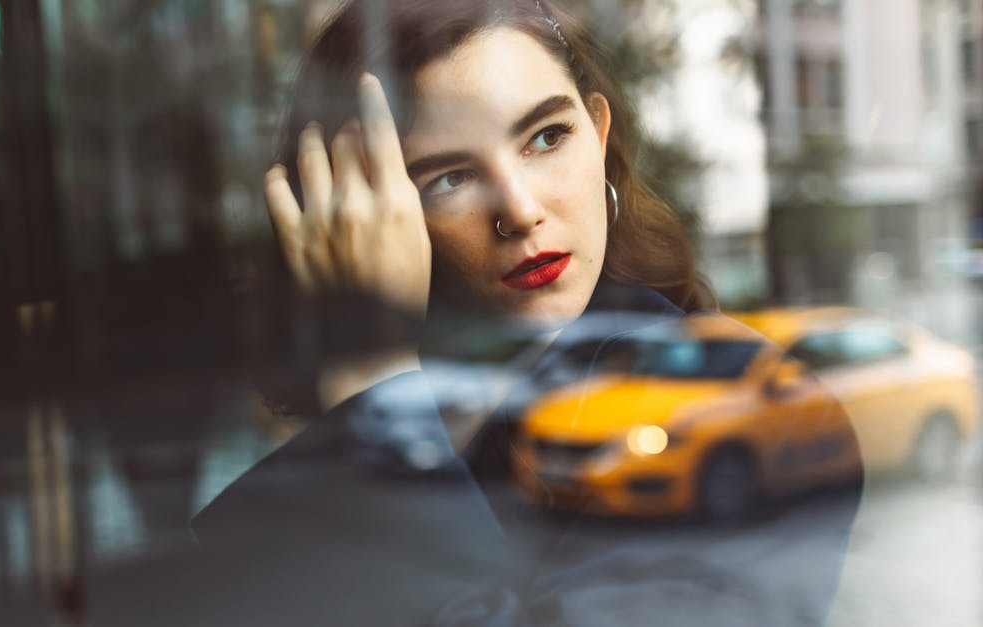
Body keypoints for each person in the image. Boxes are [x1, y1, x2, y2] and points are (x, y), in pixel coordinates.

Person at [164, 1, 861, 625]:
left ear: (598, 133)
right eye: (449, 177)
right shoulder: (306, 488)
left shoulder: (746, 411)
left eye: (547, 137)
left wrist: (376, 381)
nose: (521, 209)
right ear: (358, 218)